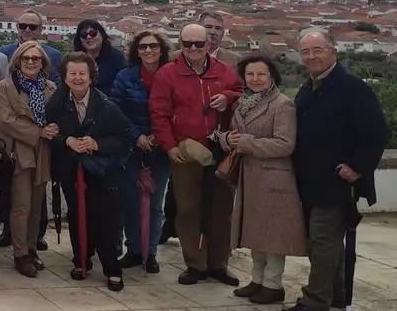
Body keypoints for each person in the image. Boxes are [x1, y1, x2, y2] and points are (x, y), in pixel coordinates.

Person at [286, 28, 387, 311]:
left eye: (317, 50)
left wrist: (357, 168)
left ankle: (316, 300)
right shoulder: (309, 87)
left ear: (333, 51)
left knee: (322, 242)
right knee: (328, 243)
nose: (311, 56)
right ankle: (337, 296)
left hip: (337, 182)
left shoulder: (353, 88)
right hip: (310, 181)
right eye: (305, 51)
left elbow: (375, 133)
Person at [149, 24, 243, 286]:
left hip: (222, 149)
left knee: (222, 209)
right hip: (186, 149)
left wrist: (227, 97)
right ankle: (195, 263)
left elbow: (243, 94)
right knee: (188, 209)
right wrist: (169, 146)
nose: (193, 49)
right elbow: (159, 114)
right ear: (180, 44)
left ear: (209, 45)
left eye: (199, 44)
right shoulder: (168, 73)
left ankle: (218, 264)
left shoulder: (224, 72)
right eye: (187, 43)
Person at [221, 56, 306, 306]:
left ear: (272, 77)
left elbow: (285, 144)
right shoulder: (242, 103)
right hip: (249, 178)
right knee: (255, 234)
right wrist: (227, 139)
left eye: (261, 74)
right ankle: (257, 280)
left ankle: (273, 285)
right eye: (250, 74)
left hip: (274, 180)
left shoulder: (282, 104)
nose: (255, 79)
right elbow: (234, 134)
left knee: (273, 237)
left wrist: (245, 143)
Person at [46, 52, 131, 291]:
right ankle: (81, 260)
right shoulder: (58, 103)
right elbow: (49, 133)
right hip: (71, 170)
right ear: (64, 77)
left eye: (82, 73)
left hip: (101, 171)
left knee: (104, 219)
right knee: (75, 214)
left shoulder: (107, 106)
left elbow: (124, 139)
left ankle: (112, 268)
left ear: (92, 77)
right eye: (72, 73)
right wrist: (67, 141)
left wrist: (96, 144)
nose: (77, 78)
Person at [0, 40, 58, 277]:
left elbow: (57, 115)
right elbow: (5, 120)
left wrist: (51, 129)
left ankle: (32, 248)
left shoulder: (50, 88)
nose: (31, 62)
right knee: (21, 205)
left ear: (43, 63)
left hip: (43, 151)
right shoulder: (5, 87)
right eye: (26, 58)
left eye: (36, 58)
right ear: (17, 61)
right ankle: (20, 253)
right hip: (19, 151)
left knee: (36, 205)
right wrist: (38, 131)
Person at [111, 29, 172, 273]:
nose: (148, 51)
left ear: (161, 49)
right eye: (143, 47)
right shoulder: (125, 76)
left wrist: (157, 136)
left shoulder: (171, 75)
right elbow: (115, 108)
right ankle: (134, 249)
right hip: (131, 146)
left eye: (153, 46)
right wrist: (137, 136)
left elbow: (177, 108)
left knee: (156, 203)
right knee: (131, 201)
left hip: (160, 146)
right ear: (136, 51)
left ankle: (151, 252)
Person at [73, 19, 126, 96]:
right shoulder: (75, 59)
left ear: (102, 35)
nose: (88, 37)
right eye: (84, 34)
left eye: (93, 33)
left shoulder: (116, 58)